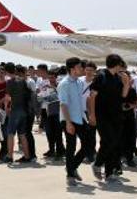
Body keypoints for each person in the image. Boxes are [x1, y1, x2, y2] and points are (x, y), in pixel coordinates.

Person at [89, 54, 130, 183]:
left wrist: (127, 83)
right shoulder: (101, 76)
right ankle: (97, 164)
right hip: (102, 115)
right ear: (117, 64)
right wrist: (92, 115)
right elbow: (92, 97)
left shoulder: (118, 78)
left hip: (116, 115)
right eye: (120, 65)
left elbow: (123, 96)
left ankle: (109, 173)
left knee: (113, 143)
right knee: (109, 141)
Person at [58, 57, 87, 186]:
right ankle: (70, 175)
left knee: (88, 145)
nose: (82, 69)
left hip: (80, 118)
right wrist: (69, 122)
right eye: (80, 67)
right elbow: (63, 105)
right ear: (72, 69)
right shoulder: (64, 84)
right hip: (68, 118)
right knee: (71, 146)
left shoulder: (79, 82)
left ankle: (72, 166)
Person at [4, 64, 31, 163]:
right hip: (23, 110)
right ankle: (27, 156)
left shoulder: (10, 82)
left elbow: (7, 97)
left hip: (15, 110)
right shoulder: (22, 80)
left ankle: (10, 156)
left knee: (10, 133)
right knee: (22, 134)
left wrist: (6, 107)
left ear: (7, 71)